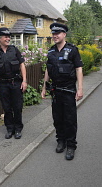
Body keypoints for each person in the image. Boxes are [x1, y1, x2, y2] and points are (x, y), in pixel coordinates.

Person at [41, 23, 83, 160]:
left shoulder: (72, 50)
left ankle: (71, 145)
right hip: (55, 91)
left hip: (69, 90)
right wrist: (44, 87)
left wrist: (80, 89)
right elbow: (48, 69)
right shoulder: (51, 51)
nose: (55, 35)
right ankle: (61, 141)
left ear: (64, 34)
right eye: (53, 33)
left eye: (58, 33)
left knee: (70, 119)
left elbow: (78, 69)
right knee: (57, 118)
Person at [0, 27, 27, 139]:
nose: (8, 38)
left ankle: (18, 129)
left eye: (8, 36)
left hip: (16, 83)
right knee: (6, 107)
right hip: (2, 84)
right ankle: (10, 129)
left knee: (17, 106)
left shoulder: (14, 50)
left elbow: (22, 65)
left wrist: (24, 81)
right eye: (5, 36)